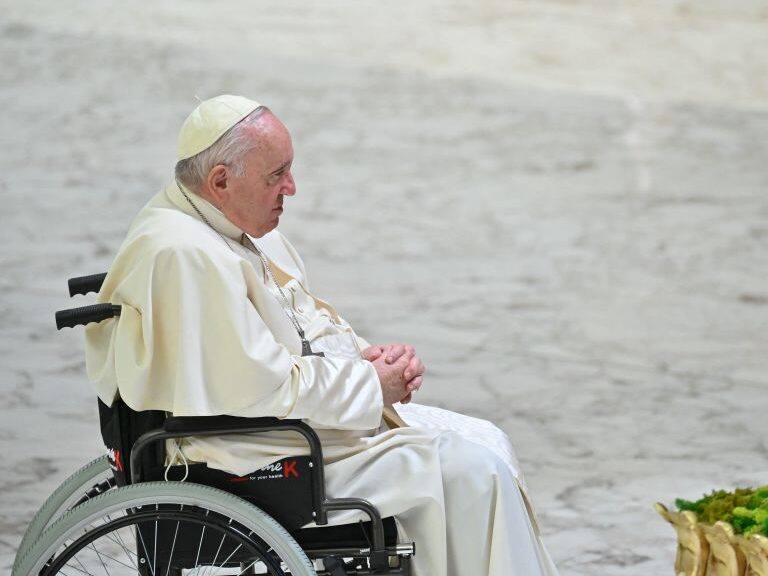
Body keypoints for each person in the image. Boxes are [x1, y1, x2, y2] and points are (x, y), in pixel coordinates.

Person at [85, 94, 559, 575]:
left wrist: (369, 359)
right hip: (257, 448)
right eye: (276, 175)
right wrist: (371, 386)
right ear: (221, 180)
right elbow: (261, 386)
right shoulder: (184, 254)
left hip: (294, 425)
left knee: (487, 441)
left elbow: (304, 321)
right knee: (477, 472)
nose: (291, 188)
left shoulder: (229, 223)